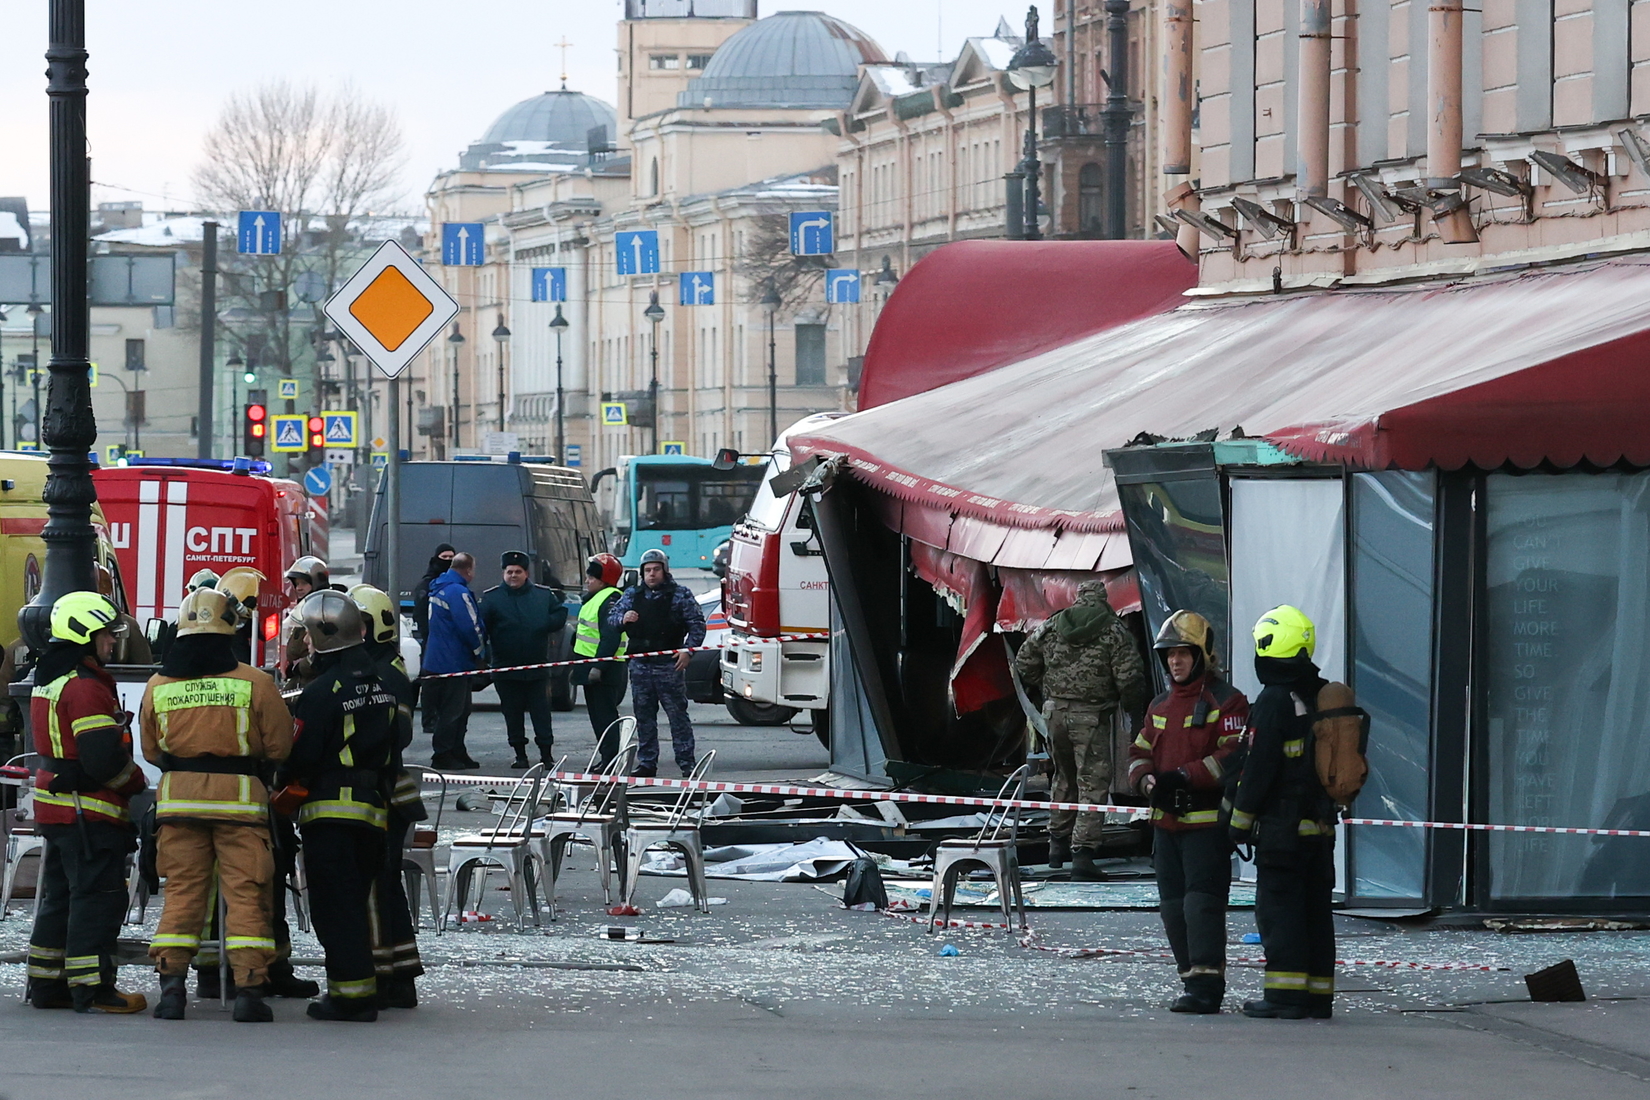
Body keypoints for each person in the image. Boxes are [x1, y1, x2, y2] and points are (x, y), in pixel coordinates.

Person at [139, 585, 292, 1023]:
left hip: (177, 805)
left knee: (183, 894)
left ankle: (171, 991)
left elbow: (151, 751)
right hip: (240, 807)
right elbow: (279, 746)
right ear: (228, 632)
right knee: (246, 894)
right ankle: (248, 994)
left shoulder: (158, 685)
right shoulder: (256, 683)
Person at [276, 590, 397, 1022]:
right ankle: (357, 991)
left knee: (334, 908)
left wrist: (281, 776)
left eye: (307, 634)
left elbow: (303, 755)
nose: (304, 641)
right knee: (355, 904)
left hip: (331, 812)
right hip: (372, 811)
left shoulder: (322, 692)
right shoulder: (379, 683)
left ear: (325, 636)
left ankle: (351, 998)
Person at [24, 591, 148, 1014]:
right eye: (106, 635)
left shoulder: (51, 677)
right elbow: (100, 758)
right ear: (84, 634)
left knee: (59, 897)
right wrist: (134, 782)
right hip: (87, 812)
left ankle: (46, 985)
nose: (112, 643)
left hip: (58, 810)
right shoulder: (85, 687)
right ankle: (93, 989)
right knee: (97, 898)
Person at [1126, 610, 1249, 1014]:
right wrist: (1146, 783)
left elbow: (1232, 756)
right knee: (1172, 907)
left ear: (1202, 655)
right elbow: (1139, 752)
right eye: (1169, 655)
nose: (1175, 661)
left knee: (1201, 904)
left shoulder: (1227, 701)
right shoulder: (1160, 704)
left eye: (1183, 653)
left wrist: (1184, 776)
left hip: (1206, 826)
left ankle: (1207, 986)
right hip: (1166, 826)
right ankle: (1189, 980)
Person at [1228, 605, 1337, 1021]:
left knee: (1280, 910)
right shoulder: (1320, 693)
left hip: (1282, 829)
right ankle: (1317, 996)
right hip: (1320, 826)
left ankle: (1285, 996)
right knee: (1314, 911)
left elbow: (1259, 768)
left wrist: (1237, 825)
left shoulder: (1274, 699)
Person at [1012, 579, 1147, 880]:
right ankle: (1083, 856)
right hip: (1092, 715)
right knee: (1093, 783)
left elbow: (1024, 661)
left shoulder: (1052, 625)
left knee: (1063, 777)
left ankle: (1057, 846)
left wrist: (1045, 687)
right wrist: (1130, 706)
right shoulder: (1114, 631)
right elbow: (1130, 676)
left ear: (1077, 598)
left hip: (1055, 713)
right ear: (1102, 600)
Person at [348, 584, 425, 1010]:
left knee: (376, 886)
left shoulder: (386, 673)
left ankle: (383, 976)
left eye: (358, 624)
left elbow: (401, 733)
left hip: (383, 791)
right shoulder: (379, 666)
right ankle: (400, 977)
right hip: (385, 791)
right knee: (385, 884)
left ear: (375, 627)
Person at [609, 549, 705, 778]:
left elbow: (697, 625)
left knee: (677, 716)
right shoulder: (633, 594)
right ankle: (647, 763)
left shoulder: (680, 594)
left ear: (664, 570)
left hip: (668, 665)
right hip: (640, 665)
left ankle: (686, 762)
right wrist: (623, 619)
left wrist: (688, 651)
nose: (652, 574)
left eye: (656, 569)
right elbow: (612, 618)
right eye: (647, 570)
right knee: (644, 716)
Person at [479, 552, 568, 769]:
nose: (513, 576)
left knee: (541, 713)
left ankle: (546, 755)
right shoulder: (491, 598)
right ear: (503, 573)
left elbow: (560, 615)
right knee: (512, 713)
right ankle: (520, 755)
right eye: (509, 572)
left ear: (526, 573)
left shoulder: (542, 595)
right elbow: (481, 628)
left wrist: (544, 623)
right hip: (505, 669)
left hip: (536, 667)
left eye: (518, 572)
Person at [422, 552, 485, 770]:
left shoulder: (440, 587)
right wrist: (480, 652)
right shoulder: (458, 592)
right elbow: (470, 626)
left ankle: (457, 750)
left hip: (439, 659)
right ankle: (444, 754)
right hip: (454, 661)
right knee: (454, 711)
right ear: (468, 570)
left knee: (458, 710)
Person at [573, 554, 628, 768]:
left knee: (605, 716)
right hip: (590, 667)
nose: (587, 581)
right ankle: (606, 758)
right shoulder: (597, 598)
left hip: (603, 669)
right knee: (598, 716)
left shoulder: (610, 599)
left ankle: (611, 760)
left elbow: (611, 637)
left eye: (591, 577)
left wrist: (599, 666)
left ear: (604, 579)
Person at [281, 556, 329, 690]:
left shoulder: (325, 612)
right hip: (302, 682)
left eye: (303, 583)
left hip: (315, 684)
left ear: (317, 582)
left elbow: (324, 654)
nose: (298, 588)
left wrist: (298, 667)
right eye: (296, 584)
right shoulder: (304, 610)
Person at [412, 543, 455, 650]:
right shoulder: (426, 584)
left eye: (451, 557)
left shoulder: (458, 583)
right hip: (433, 641)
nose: (447, 560)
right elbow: (420, 613)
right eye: (444, 557)